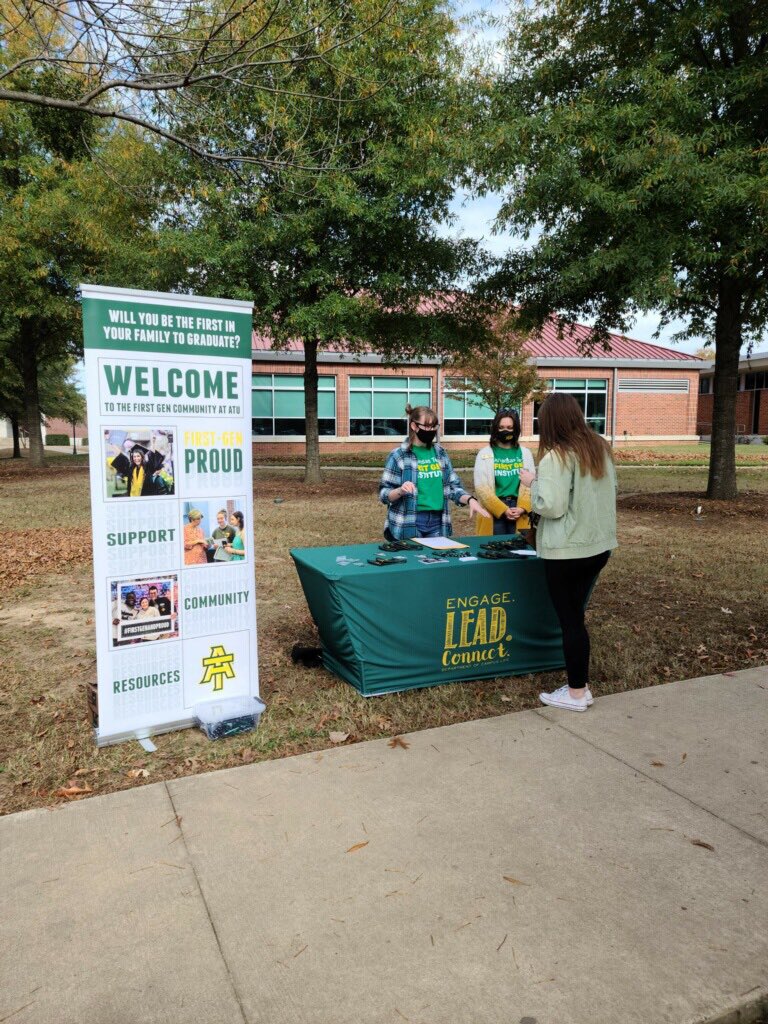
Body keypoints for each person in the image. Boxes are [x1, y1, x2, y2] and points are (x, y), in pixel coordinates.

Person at [519, 393, 617, 712]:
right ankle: (580, 688)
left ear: (550, 421)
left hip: (566, 552)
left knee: (571, 621)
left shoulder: (556, 457)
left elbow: (551, 506)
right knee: (576, 618)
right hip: (598, 546)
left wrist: (533, 483)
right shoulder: (599, 448)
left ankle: (576, 693)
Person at [378, 404, 489, 539]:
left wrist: (470, 500)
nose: (431, 431)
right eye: (427, 426)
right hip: (408, 521)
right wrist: (401, 490)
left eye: (434, 427)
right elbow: (384, 494)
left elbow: (453, 487)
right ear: (414, 426)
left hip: (438, 522)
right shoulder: (398, 455)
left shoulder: (440, 453)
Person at [473, 409, 536, 536]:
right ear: (495, 428)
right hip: (493, 510)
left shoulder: (525, 453)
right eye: (501, 427)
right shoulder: (484, 454)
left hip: (519, 509)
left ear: (515, 429)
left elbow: (531, 484)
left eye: (509, 427)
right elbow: (481, 488)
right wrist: (503, 510)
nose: (505, 431)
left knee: (520, 546)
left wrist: (522, 508)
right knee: (493, 546)